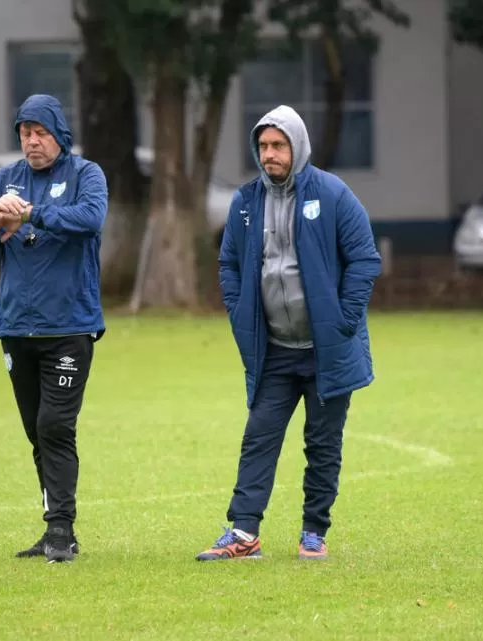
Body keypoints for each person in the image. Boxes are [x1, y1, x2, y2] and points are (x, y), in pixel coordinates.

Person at [196, 105, 381, 562]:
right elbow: (229, 264)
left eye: (278, 145)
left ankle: (314, 532)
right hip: (274, 350)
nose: (269, 154)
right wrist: (240, 314)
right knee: (258, 437)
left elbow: (364, 258)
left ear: (297, 146)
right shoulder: (244, 202)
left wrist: (343, 319)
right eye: (263, 146)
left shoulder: (332, 193)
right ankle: (244, 533)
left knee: (323, 444)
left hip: (327, 351)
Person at [0, 94, 108, 564]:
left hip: (69, 326)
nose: (31, 141)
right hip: (17, 328)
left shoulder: (86, 175)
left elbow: (89, 219)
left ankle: (62, 530)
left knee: (55, 425)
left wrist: (29, 215)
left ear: (59, 135)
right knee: (36, 430)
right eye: (25, 134)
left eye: (40, 132)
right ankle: (53, 528)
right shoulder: (5, 180)